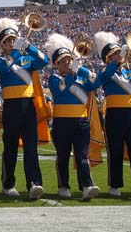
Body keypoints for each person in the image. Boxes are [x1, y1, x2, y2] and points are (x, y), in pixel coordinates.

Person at [0, 18, 48, 199]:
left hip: (28, 106)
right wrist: (17, 50)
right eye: (7, 41)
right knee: (10, 148)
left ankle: (34, 182)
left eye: (12, 40)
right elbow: (5, 70)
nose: (11, 43)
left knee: (31, 147)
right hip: (11, 107)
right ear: (3, 44)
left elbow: (43, 61)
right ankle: (8, 184)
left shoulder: (26, 58)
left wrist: (29, 46)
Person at [94, 32, 131, 199]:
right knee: (115, 151)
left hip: (130, 114)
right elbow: (102, 79)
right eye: (113, 54)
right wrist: (117, 61)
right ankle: (114, 185)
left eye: (118, 53)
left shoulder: (128, 71)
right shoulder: (106, 70)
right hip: (114, 114)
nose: (118, 56)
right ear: (107, 57)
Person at [43, 33, 101, 201]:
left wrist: (80, 68)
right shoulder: (54, 79)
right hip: (62, 123)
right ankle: (63, 186)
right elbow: (63, 87)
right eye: (63, 62)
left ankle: (86, 186)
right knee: (62, 156)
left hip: (81, 122)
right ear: (56, 65)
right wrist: (72, 73)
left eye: (69, 60)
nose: (68, 63)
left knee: (82, 156)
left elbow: (96, 83)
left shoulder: (80, 76)